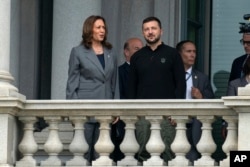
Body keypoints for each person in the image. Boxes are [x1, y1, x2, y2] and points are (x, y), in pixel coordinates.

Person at [127, 16, 186, 162]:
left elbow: (180, 84)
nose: (150, 32)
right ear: (143, 33)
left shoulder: (173, 54)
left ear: (161, 31)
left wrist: (177, 112)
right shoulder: (137, 57)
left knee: (168, 154)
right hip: (142, 115)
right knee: (143, 154)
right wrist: (133, 114)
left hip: (167, 115)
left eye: (153, 28)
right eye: (146, 29)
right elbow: (131, 88)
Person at [66, 15, 118, 164]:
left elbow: (115, 81)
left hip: (106, 108)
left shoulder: (111, 52)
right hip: (85, 108)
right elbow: (71, 83)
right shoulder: (78, 52)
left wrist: (117, 107)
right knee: (83, 154)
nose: (102, 30)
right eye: (98, 27)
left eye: (104, 27)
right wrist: (74, 111)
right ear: (90, 30)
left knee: (102, 155)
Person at [176, 40, 215, 162]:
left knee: (192, 159)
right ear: (179, 54)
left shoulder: (202, 78)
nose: (192, 55)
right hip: (174, 126)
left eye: (194, 52)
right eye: (188, 51)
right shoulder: (169, 75)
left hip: (194, 127)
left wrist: (201, 97)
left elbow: (212, 102)